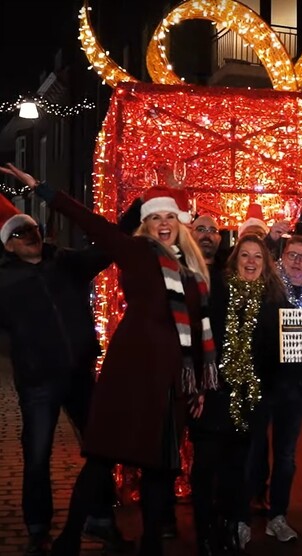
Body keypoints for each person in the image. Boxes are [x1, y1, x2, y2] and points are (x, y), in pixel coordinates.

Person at [2, 164, 218, 556]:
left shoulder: (193, 272)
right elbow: (96, 226)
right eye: (155, 218)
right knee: (101, 458)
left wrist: (199, 379)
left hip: (171, 381)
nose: (164, 224)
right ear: (145, 223)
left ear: (180, 223)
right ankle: (67, 538)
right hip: (131, 375)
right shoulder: (135, 252)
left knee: (160, 469)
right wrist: (46, 191)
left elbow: (199, 330)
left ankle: (151, 543)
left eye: (170, 217)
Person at [0, 188, 136, 555]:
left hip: (78, 372)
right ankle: (37, 528)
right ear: (7, 246)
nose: (29, 236)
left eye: (31, 229)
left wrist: (139, 209)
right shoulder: (4, 282)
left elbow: (106, 246)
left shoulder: (65, 262)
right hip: (38, 382)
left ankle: (100, 518)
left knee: (100, 446)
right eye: (18, 233)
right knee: (38, 454)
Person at [191, 234, 284, 555]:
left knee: (235, 472)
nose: (251, 262)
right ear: (235, 260)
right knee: (205, 469)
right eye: (245, 255)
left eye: (258, 257)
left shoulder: (275, 303)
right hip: (213, 395)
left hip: (249, 403)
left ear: (266, 264)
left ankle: (229, 529)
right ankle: (205, 534)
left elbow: (279, 359)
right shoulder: (217, 291)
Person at [260, 235, 302, 542]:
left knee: (286, 456)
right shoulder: (269, 288)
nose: (298, 262)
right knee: (252, 453)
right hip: (266, 382)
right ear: (281, 259)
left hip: (297, 386)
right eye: (292, 256)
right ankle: (241, 516)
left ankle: (278, 515)